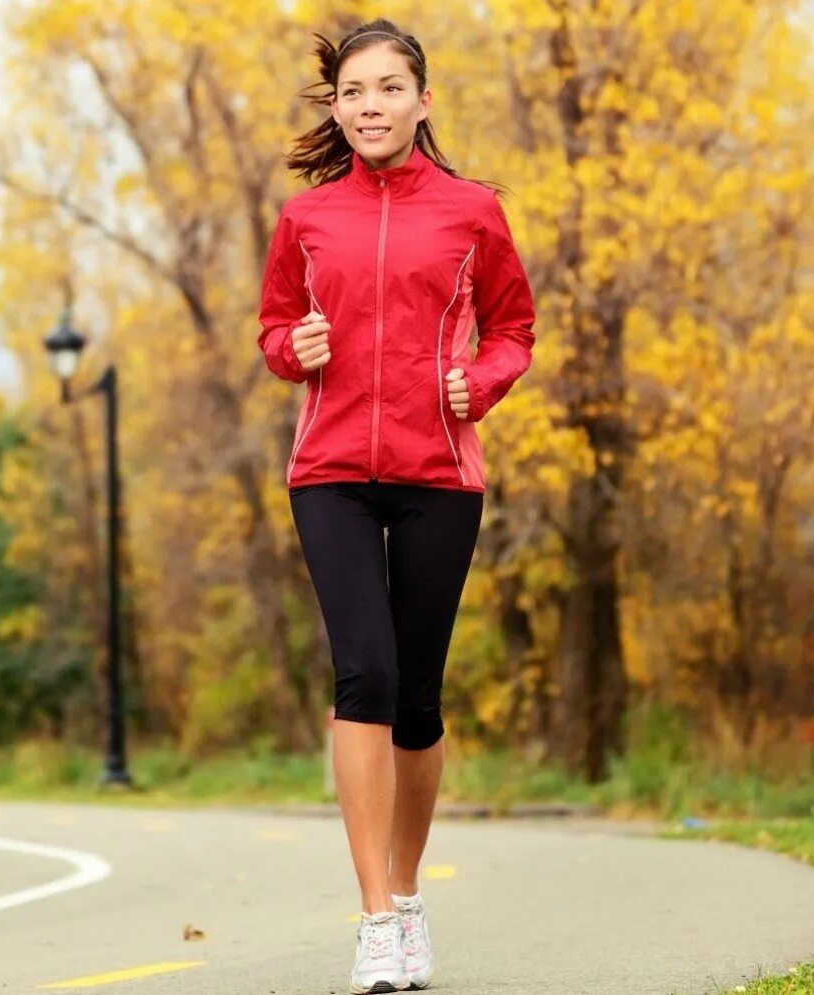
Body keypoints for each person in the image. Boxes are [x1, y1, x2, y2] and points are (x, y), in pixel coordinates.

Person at [255, 18, 537, 995]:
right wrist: (299, 350)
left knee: (416, 694)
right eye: (350, 92)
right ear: (334, 107)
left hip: (436, 472)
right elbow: (272, 330)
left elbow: (513, 327)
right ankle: (376, 917)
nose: (367, 106)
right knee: (363, 674)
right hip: (327, 468)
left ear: (420, 100)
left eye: (384, 89)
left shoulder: (471, 212)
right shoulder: (305, 218)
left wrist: (481, 382)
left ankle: (408, 890)